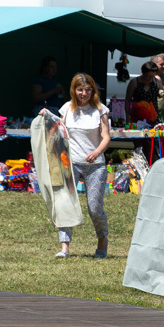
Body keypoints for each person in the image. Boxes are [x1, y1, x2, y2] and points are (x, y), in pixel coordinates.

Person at [50, 73, 110, 259]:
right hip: (71, 164)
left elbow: (106, 136)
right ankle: (65, 247)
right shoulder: (67, 108)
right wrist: (46, 117)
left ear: (93, 90)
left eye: (87, 90)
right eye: (80, 89)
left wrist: (96, 152)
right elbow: (58, 130)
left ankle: (102, 241)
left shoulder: (100, 110)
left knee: (94, 207)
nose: (84, 93)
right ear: (74, 90)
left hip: (95, 165)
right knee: (65, 203)